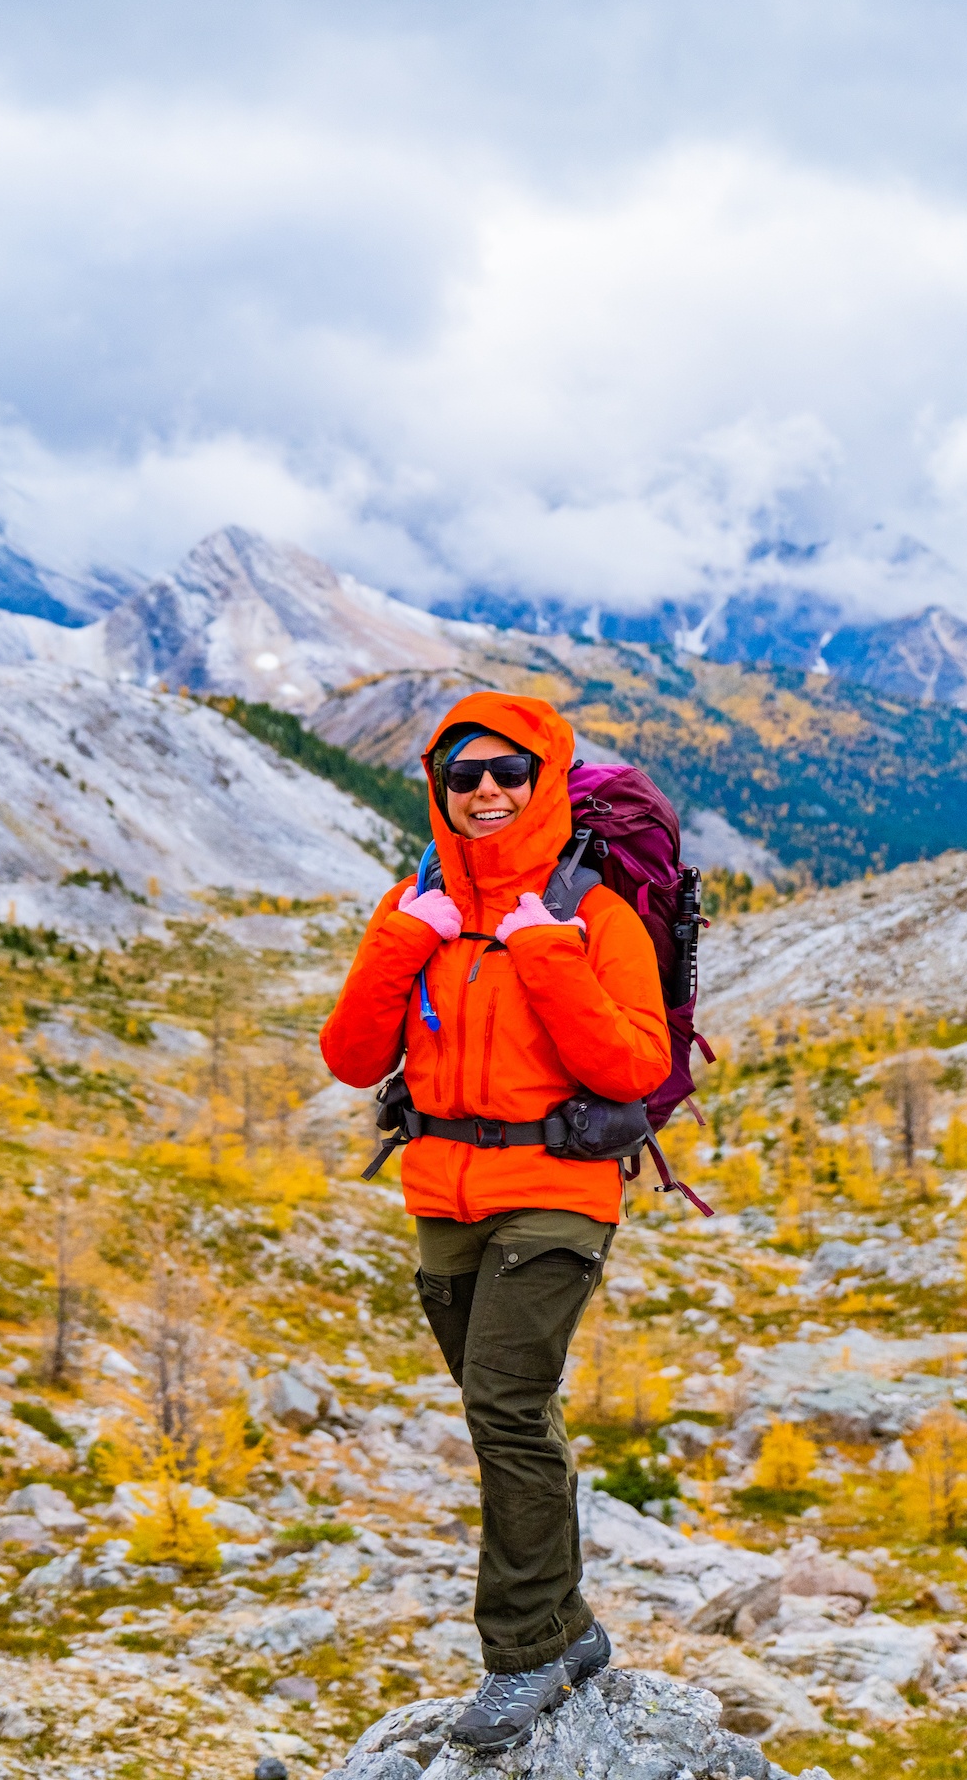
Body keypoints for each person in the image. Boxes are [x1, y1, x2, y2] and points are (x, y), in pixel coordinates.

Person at [320, 692, 671, 1751]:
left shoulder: (592, 912)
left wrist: (546, 950)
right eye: (461, 774)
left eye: (507, 772)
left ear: (544, 779)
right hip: (442, 1193)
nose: (484, 791)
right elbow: (349, 1055)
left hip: (557, 1189)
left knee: (506, 1407)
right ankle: (568, 1628)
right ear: (437, 787)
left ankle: (522, 1652)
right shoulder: (414, 905)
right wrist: (402, 937)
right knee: (503, 1413)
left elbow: (634, 1066)